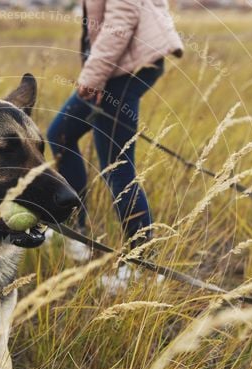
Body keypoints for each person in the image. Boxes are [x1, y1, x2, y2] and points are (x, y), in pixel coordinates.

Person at [47, 0, 183, 288]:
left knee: (117, 166)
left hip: (124, 70)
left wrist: (94, 76)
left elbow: (121, 21)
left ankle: (143, 267)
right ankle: (73, 231)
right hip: (118, 67)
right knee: (61, 134)